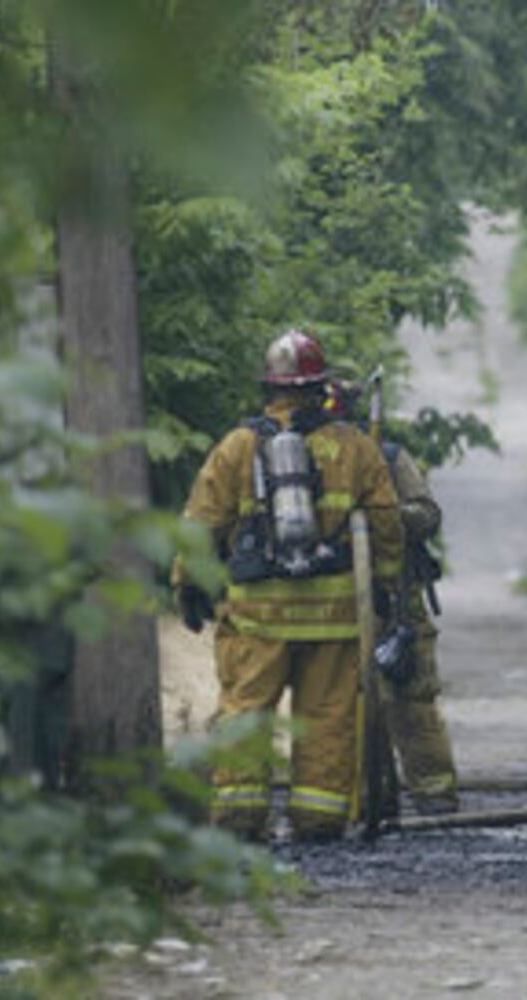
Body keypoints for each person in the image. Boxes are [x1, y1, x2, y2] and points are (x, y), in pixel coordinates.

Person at [171, 329, 406, 843]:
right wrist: (385, 588)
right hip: (335, 615)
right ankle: (319, 817)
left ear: (270, 388)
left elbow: (202, 522)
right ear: (319, 385)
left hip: (257, 617)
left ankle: (238, 817)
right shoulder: (354, 448)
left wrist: (187, 584)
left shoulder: (238, 446)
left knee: (246, 713)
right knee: (326, 717)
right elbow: (386, 525)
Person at [324, 370, 460, 816]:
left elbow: (429, 514)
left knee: (412, 699)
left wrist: (386, 515)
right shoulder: (308, 461)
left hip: (397, 595)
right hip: (337, 600)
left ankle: (434, 795)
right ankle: (348, 800)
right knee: (338, 704)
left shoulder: (388, 456)